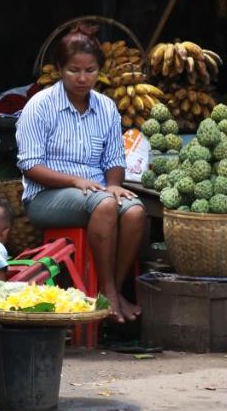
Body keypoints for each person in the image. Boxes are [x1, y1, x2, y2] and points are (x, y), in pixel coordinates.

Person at [16, 24, 146, 323]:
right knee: (104, 204)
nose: (83, 78)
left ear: (100, 70)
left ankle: (108, 285)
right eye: (74, 70)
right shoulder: (40, 106)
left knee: (135, 211)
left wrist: (113, 184)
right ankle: (110, 293)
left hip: (97, 193)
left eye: (90, 70)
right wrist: (76, 181)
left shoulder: (107, 108)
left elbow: (114, 158)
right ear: (60, 69)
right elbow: (30, 166)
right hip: (46, 197)